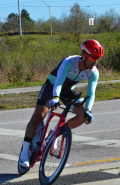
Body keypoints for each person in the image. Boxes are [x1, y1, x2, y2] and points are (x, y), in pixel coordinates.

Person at [19, 39, 104, 168]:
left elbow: (91, 94)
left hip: (67, 90)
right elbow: (58, 82)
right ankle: (25, 152)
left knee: (82, 116)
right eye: (93, 58)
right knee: (39, 116)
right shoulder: (69, 62)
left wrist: (88, 110)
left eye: (98, 59)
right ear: (84, 55)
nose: (95, 62)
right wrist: (55, 97)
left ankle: (57, 132)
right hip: (52, 86)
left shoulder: (94, 72)